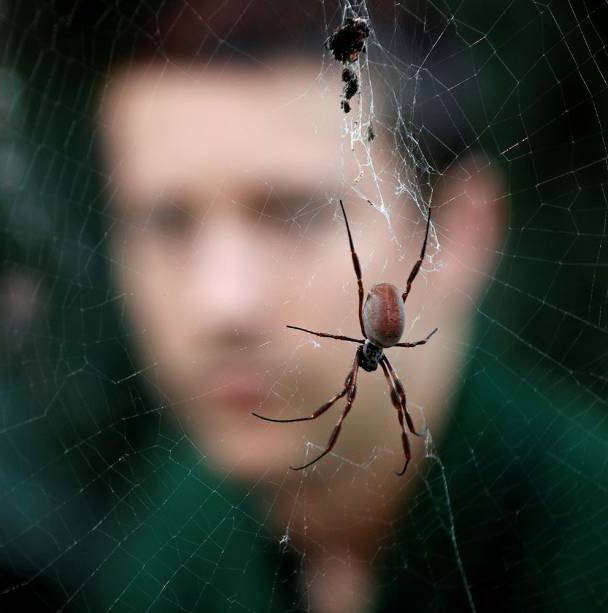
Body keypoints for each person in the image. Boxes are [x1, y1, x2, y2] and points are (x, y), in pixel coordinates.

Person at [84, 3, 608, 612]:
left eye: (296, 212)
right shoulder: (173, 534)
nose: (222, 304)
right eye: (168, 221)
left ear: (459, 230)